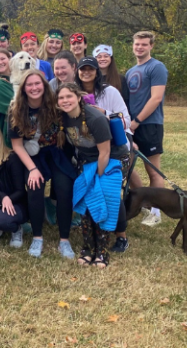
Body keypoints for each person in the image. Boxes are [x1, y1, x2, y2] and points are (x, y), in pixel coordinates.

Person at [56, 83, 129, 268]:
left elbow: (105, 153)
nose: (65, 101)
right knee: (86, 200)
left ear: (79, 97)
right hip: (88, 162)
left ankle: (102, 251)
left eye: (69, 97)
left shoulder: (95, 118)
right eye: (61, 98)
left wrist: (97, 177)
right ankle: (88, 248)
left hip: (112, 160)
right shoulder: (63, 119)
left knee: (101, 195)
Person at [8, 70, 78, 258]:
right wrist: (32, 169)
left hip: (56, 152)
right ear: (23, 88)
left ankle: (64, 240)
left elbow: (79, 110)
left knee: (64, 188)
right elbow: (17, 145)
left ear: (44, 85)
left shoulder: (55, 104)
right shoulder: (15, 108)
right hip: (32, 156)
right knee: (35, 187)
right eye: (29, 85)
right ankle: (37, 237)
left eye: (37, 83)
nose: (34, 88)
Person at [72, 62, 134, 253]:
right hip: (87, 151)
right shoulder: (74, 92)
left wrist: (104, 113)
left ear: (97, 72)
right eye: (83, 69)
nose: (86, 72)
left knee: (111, 190)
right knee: (91, 188)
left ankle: (121, 237)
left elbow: (127, 120)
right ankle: (93, 230)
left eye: (91, 69)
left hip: (114, 149)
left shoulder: (110, 92)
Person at [126, 31, 168, 226]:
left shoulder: (157, 67)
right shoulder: (130, 71)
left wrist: (138, 121)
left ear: (151, 46)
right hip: (131, 126)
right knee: (127, 167)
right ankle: (143, 200)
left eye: (144, 44)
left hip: (150, 125)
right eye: (137, 44)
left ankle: (156, 212)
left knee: (153, 171)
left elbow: (156, 98)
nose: (140, 47)